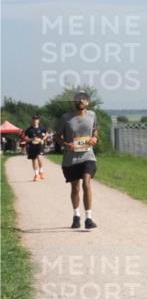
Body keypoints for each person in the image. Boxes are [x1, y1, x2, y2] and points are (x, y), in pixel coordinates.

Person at [55, 92, 100, 229]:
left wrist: (94, 139)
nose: (81, 100)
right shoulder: (66, 118)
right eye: (78, 98)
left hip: (88, 155)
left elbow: (95, 130)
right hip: (71, 157)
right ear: (74, 102)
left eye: (84, 99)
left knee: (86, 182)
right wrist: (65, 144)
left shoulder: (92, 115)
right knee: (75, 187)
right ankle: (76, 216)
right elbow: (57, 136)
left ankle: (89, 218)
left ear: (88, 102)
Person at [24, 115, 49, 181]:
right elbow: (25, 138)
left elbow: (46, 134)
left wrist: (43, 139)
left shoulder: (42, 128)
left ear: (38, 120)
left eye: (36, 119)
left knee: (39, 156)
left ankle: (41, 171)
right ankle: (36, 175)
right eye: (34, 119)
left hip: (40, 144)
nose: (35, 121)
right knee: (33, 159)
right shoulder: (29, 130)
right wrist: (32, 139)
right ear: (32, 120)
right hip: (32, 145)